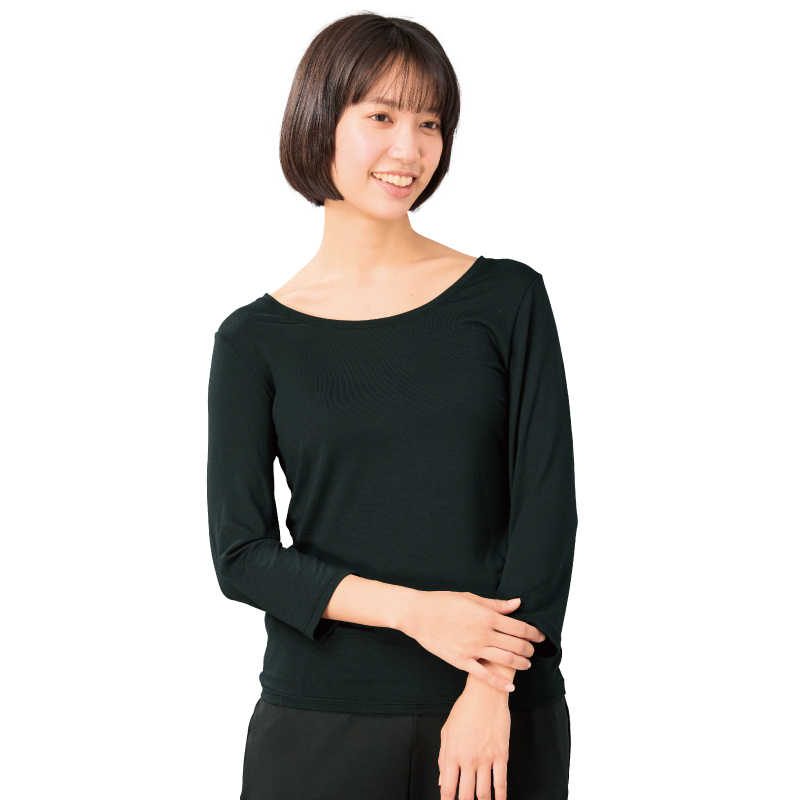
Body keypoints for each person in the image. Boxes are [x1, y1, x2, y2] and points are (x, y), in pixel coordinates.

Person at [207, 12, 577, 800]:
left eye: (430, 122)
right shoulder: (253, 340)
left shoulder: (507, 298)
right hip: (320, 718)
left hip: (496, 714)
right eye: (381, 116)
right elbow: (242, 556)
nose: (409, 149)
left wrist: (489, 689)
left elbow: (547, 510)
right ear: (319, 121)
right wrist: (417, 613)